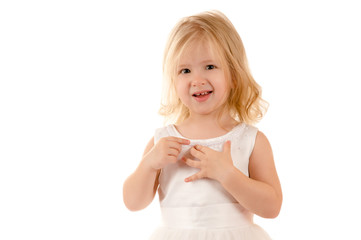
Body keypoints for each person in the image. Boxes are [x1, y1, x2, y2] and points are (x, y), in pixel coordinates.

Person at [123, 10, 282, 240]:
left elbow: (272, 207)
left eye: (209, 66)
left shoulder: (250, 141)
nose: (197, 80)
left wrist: (228, 174)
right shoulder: (162, 142)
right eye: (185, 70)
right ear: (174, 81)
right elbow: (132, 202)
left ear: (234, 75)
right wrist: (148, 165)